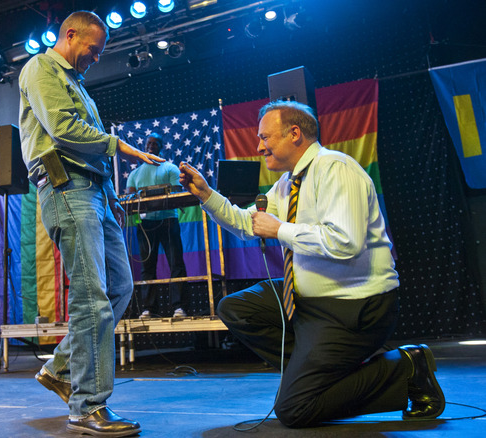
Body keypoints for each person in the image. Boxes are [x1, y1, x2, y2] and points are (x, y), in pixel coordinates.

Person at [179, 100, 445, 427]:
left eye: (265, 138)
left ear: (294, 134)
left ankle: (404, 368)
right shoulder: (289, 183)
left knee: (296, 409)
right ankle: (324, 374)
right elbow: (249, 223)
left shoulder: (336, 169)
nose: (258, 147)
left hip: (354, 306)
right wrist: (207, 195)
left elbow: (344, 242)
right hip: (308, 300)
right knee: (237, 309)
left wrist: (281, 229)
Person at [19, 11, 164, 437]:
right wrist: (121, 146)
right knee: (91, 298)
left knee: (119, 288)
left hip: (97, 192)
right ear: (70, 35)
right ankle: (87, 407)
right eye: (92, 50)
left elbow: (89, 147)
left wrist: (113, 195)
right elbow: (62, 130)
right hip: (67, 189)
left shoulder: (79, 85)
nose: (96, 59)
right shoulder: (40, 68)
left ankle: (62, 367)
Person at [125, 133, 189, 318]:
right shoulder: (135, 174)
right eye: (148, 143)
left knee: (176, 263)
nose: (151, 146)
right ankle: (148, 309)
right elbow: (129, 197)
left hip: (168, 220)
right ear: (145, 147)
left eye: (155, 143)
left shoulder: (170, 168)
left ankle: (179, 307)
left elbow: (177, 191)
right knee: (147, 267)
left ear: (161, 147)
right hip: (145, 224)